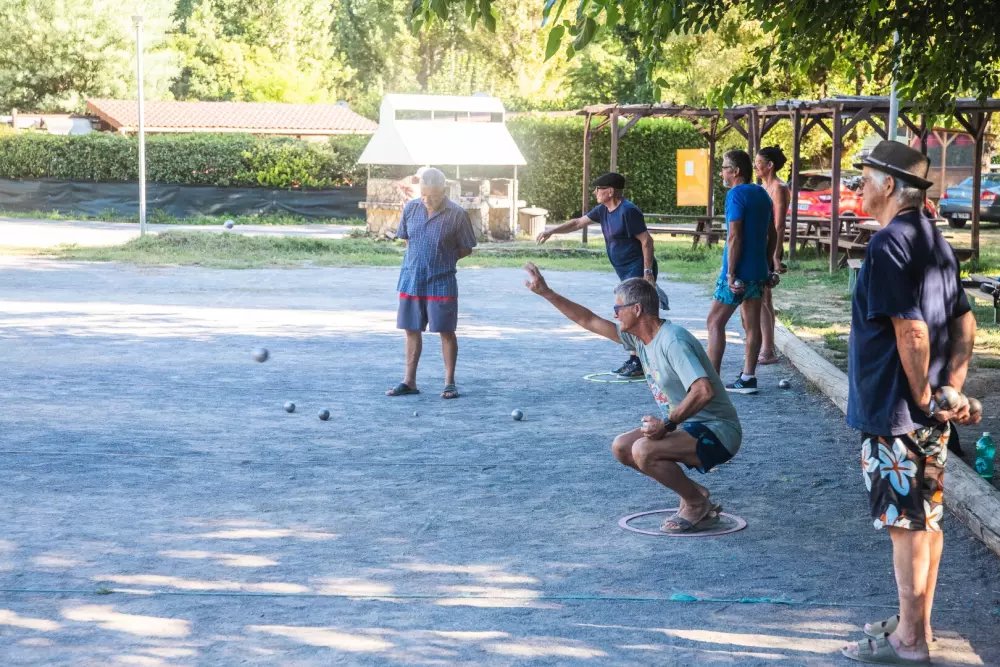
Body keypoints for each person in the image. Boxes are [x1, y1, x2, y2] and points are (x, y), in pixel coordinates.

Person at [842, 141, 979, 665]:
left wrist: (923, 393)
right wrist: (952, 388)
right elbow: (964, 319)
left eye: (867, 176)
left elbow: (913, 332)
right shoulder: (933, 239)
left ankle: (909, 643)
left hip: (896, 414)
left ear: (892, 186)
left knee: (905, 526)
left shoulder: (886, 245)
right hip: (925, 414)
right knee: (926, 520)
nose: (860, 185)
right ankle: (915, 626)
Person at [523, 263, 741, 532]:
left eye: (618, 309)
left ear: (636, 309)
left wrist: (668, 424)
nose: (614, 315)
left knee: (643, 449)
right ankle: (695, 494)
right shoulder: (640, 339)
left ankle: (696, 506)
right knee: (622, 447)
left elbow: (703, 391)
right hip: (689, 425)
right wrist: (547, 293)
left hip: (719, 432)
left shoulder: (673, 341)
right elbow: (588, 320)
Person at [537, 172, 669, 378]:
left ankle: (641, 360)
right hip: (624, 270)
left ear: (610, 191)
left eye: (599, 189)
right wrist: (552, 231)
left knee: (634, 313)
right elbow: (577, 223)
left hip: (638, 268)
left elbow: (646, 241)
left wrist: (648, 272)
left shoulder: (628, 211)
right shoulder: (603, 210)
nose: (595, 192)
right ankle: (637, 359)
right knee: (631, 312)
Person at [386, 168, 477, 400]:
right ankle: (409, 381)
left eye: (433, 196)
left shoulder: (457, 214)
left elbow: (466, 247)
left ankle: (449, 383)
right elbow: (407, 238)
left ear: (444, 191)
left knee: (446, 331)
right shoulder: (411, 208)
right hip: (411, 279)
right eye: (424, 195)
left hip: (442, 279)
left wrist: (444, 258)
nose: (428, 200)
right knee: (411, 330)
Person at [705, 149, 776, 394]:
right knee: (751, 324)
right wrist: (767, 267)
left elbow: (734, 236)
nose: (722, 172)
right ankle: (748, 377)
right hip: (758, 271)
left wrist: (731, 273)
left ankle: (711, 382)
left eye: (725, 167)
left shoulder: (736, 195)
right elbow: (773, 233)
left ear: (735, 171)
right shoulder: (762, 194)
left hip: (739, 273)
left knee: (714, 321)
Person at [754, 146, 790, 366]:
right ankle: (763, 345)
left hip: (770, 247)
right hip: (760, 245)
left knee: (765, 299)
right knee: (760, 297)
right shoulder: (761, 187)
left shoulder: (779, 187)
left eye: (759, 162)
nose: (755, 166)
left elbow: (779, 224)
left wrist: (775, 255)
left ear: (770, 165)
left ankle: (768, 350)